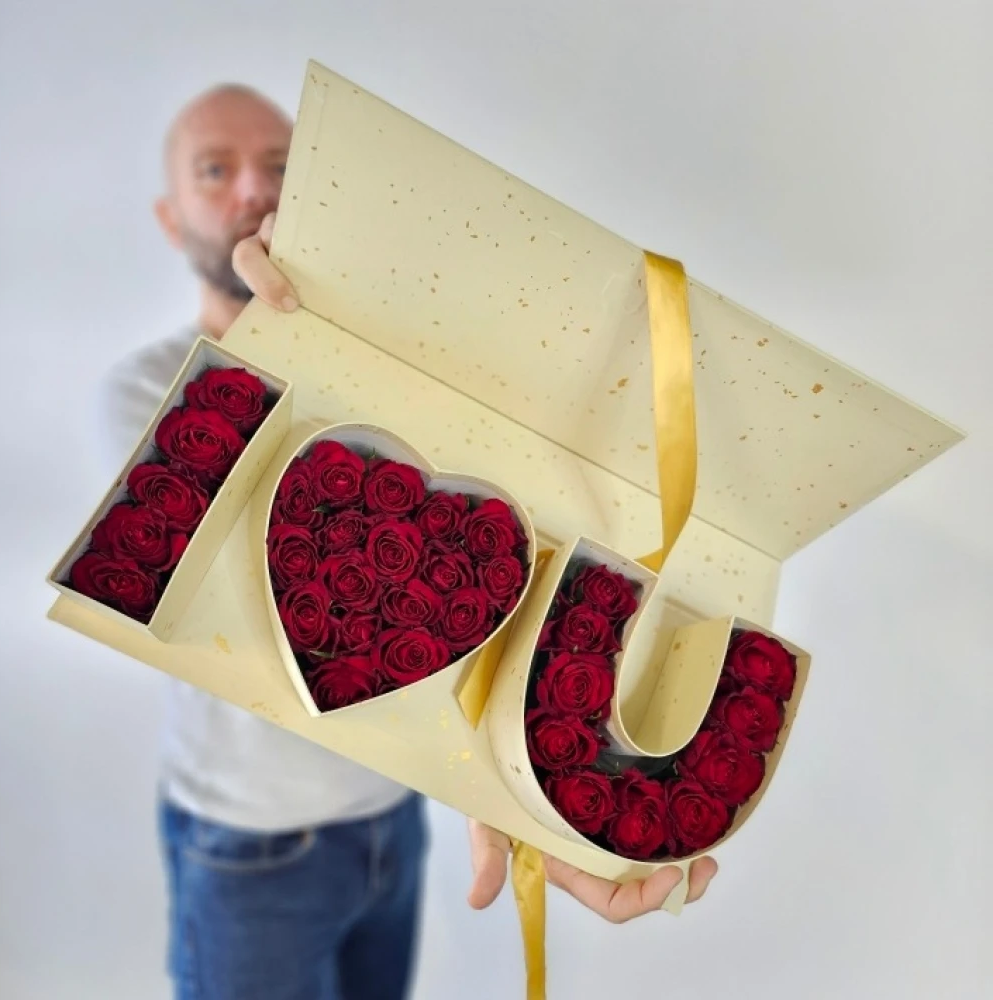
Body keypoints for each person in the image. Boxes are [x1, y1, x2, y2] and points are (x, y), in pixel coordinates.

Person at [103, 83, 717, 1000]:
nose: (253, 190)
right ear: (170, 215)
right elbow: (218, 593)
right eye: (215, 170)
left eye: (280, 166)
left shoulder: (388, 383)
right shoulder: (143, 391)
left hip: (395, 814)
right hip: (252, 840)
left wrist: (512, 788)